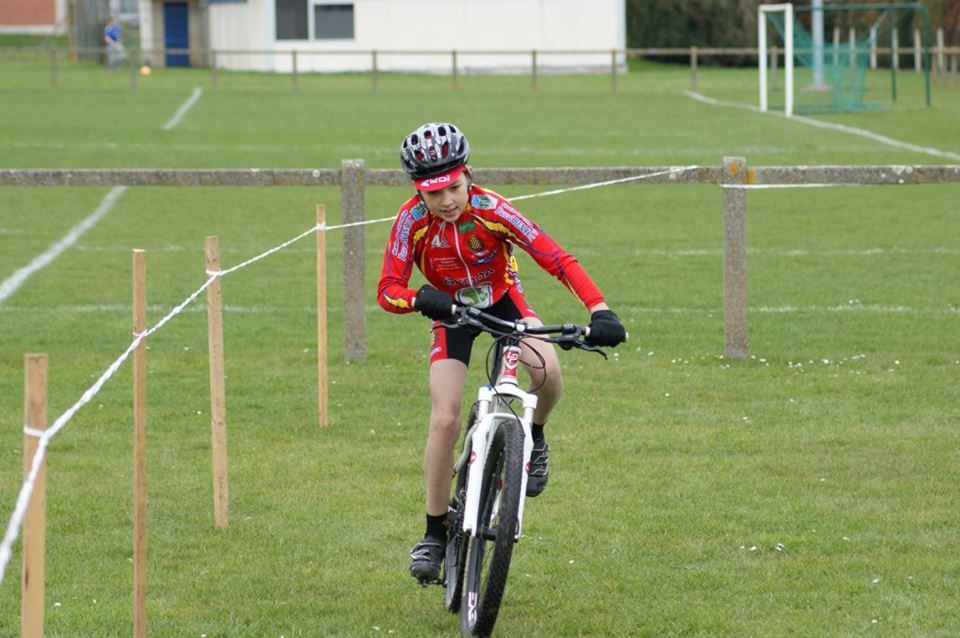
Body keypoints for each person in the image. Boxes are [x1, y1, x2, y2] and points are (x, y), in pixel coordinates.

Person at [377, 122, 626, 585]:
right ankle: (434, 530)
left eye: (453, 188)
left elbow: (555, 257)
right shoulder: (411, 222)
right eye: (433, 194)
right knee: (446, 418)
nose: (446, 201)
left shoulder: (493, 210)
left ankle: (536, 436)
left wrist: (600, 309)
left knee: (547, 370)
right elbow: (387, 291)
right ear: (418, 193)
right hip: (450, 314)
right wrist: (419, 298)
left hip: (503, 302)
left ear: (468, 176)